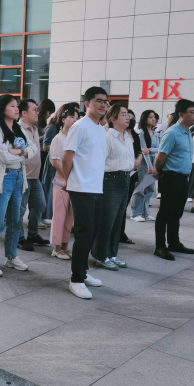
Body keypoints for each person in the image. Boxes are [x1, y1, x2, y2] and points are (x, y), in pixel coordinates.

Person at [0, 94, 37, 277]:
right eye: (12, 106)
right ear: (2, 108)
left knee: (15, 221)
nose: (16, 109)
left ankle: (11, 257)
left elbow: (34, 149)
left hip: (19, 177)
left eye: (17, 106)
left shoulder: (18, 127)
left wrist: (18, 151)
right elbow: (4, 157)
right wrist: (22, 154)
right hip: (3, 178)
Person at [62, 87, 108, 299]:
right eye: (98, 101)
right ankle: (76, 280)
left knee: (93, 231)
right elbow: (67, 158)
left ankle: (83, 271)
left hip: (96, 187)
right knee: (84, 232)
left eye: (105, 102)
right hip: (80, 187)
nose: (103, 105)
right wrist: (68, 180)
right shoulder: (79, 126)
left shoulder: (100, 129)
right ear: (87, 103)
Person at [153, 99, 194, 261]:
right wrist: (159, 171)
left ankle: (174, 243)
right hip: (170, 177)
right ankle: (160, 246)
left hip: (183, 178)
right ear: (181, 114)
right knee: (165, 213)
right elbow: (160, 157)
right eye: (192, 112)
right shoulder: (172, 132)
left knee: (177, 213)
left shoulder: (187, 132)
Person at [92, 104, 134, 271]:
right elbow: (99, 161)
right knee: (107, 220)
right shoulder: (107, 136)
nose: (127, 117)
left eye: (128, 114)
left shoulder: (127, 136)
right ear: (113, 119)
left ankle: (112, 254)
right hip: (110, 180)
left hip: (125, 179)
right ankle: (101, 255)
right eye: (123, 114)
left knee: (118, 220)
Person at [17, 99, 49, 251]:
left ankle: (32, 234)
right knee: (20, 209)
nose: (37, 112)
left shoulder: (35, 128)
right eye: (34, 109)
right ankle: (18, 238)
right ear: (24, 113)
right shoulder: (17, 129)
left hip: (35, 177)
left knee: (40, 204)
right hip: (23, 177)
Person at [50, 104, 78, 260]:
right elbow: (55, 161)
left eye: (76, 117)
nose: (75, 120)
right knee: (59, 214)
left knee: (70, 216)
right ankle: (56, 247)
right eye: (72, 117)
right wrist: (67, 176)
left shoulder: (75, 138)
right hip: (61, 180)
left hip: (74, 181)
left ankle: (66, 246)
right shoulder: (58, 138)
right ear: (63, 119)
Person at [130, 110, 160, 222]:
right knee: (140, 188)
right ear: (145, 119)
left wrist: (150, 150)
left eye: (154, 117)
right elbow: (144, 151)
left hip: (153, 162)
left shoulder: (155, 133)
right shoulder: (142, 133)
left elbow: (159, 149)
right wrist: (149, 165)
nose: (153, 119)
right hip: (144, 163)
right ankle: (135, 213)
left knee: (150, 189)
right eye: (150, 117)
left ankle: (145, 212)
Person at [120, 109, 143, 244]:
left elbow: (140, 151)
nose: (130, 119)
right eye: (127, 116)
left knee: (124, 205)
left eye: (132, 117)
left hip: (133, 173)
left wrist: (138, 161)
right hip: (120, 173)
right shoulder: (118, 135)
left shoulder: (135, 135)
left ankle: (121, 233)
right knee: (118, 206)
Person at [37, 98, 56, 188]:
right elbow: (32, 140)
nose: (49, 115)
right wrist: (46, 136)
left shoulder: (43, 121)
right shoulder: (36, 121)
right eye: (49, 112)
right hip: (39, 152)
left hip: (43, 153)